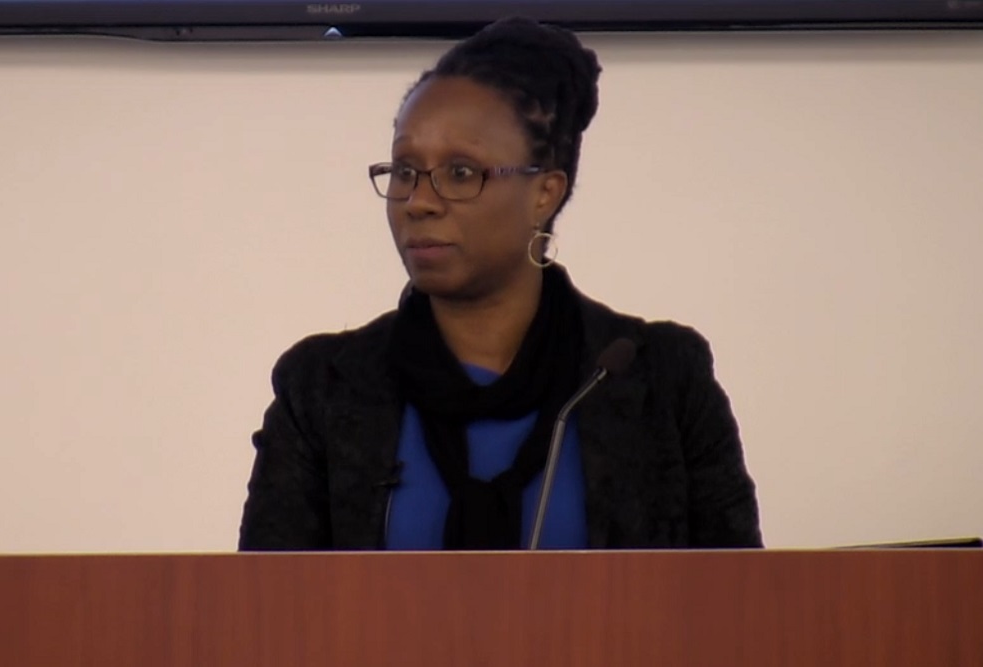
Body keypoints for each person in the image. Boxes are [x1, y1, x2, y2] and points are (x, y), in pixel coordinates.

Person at [238, 17, 762, 551]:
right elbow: (268, 615)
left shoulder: (661, 379)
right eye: (404, 170)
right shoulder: (322, 388)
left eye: (461, 173)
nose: (418, 201)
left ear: (545, 193)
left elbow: (738, 606)